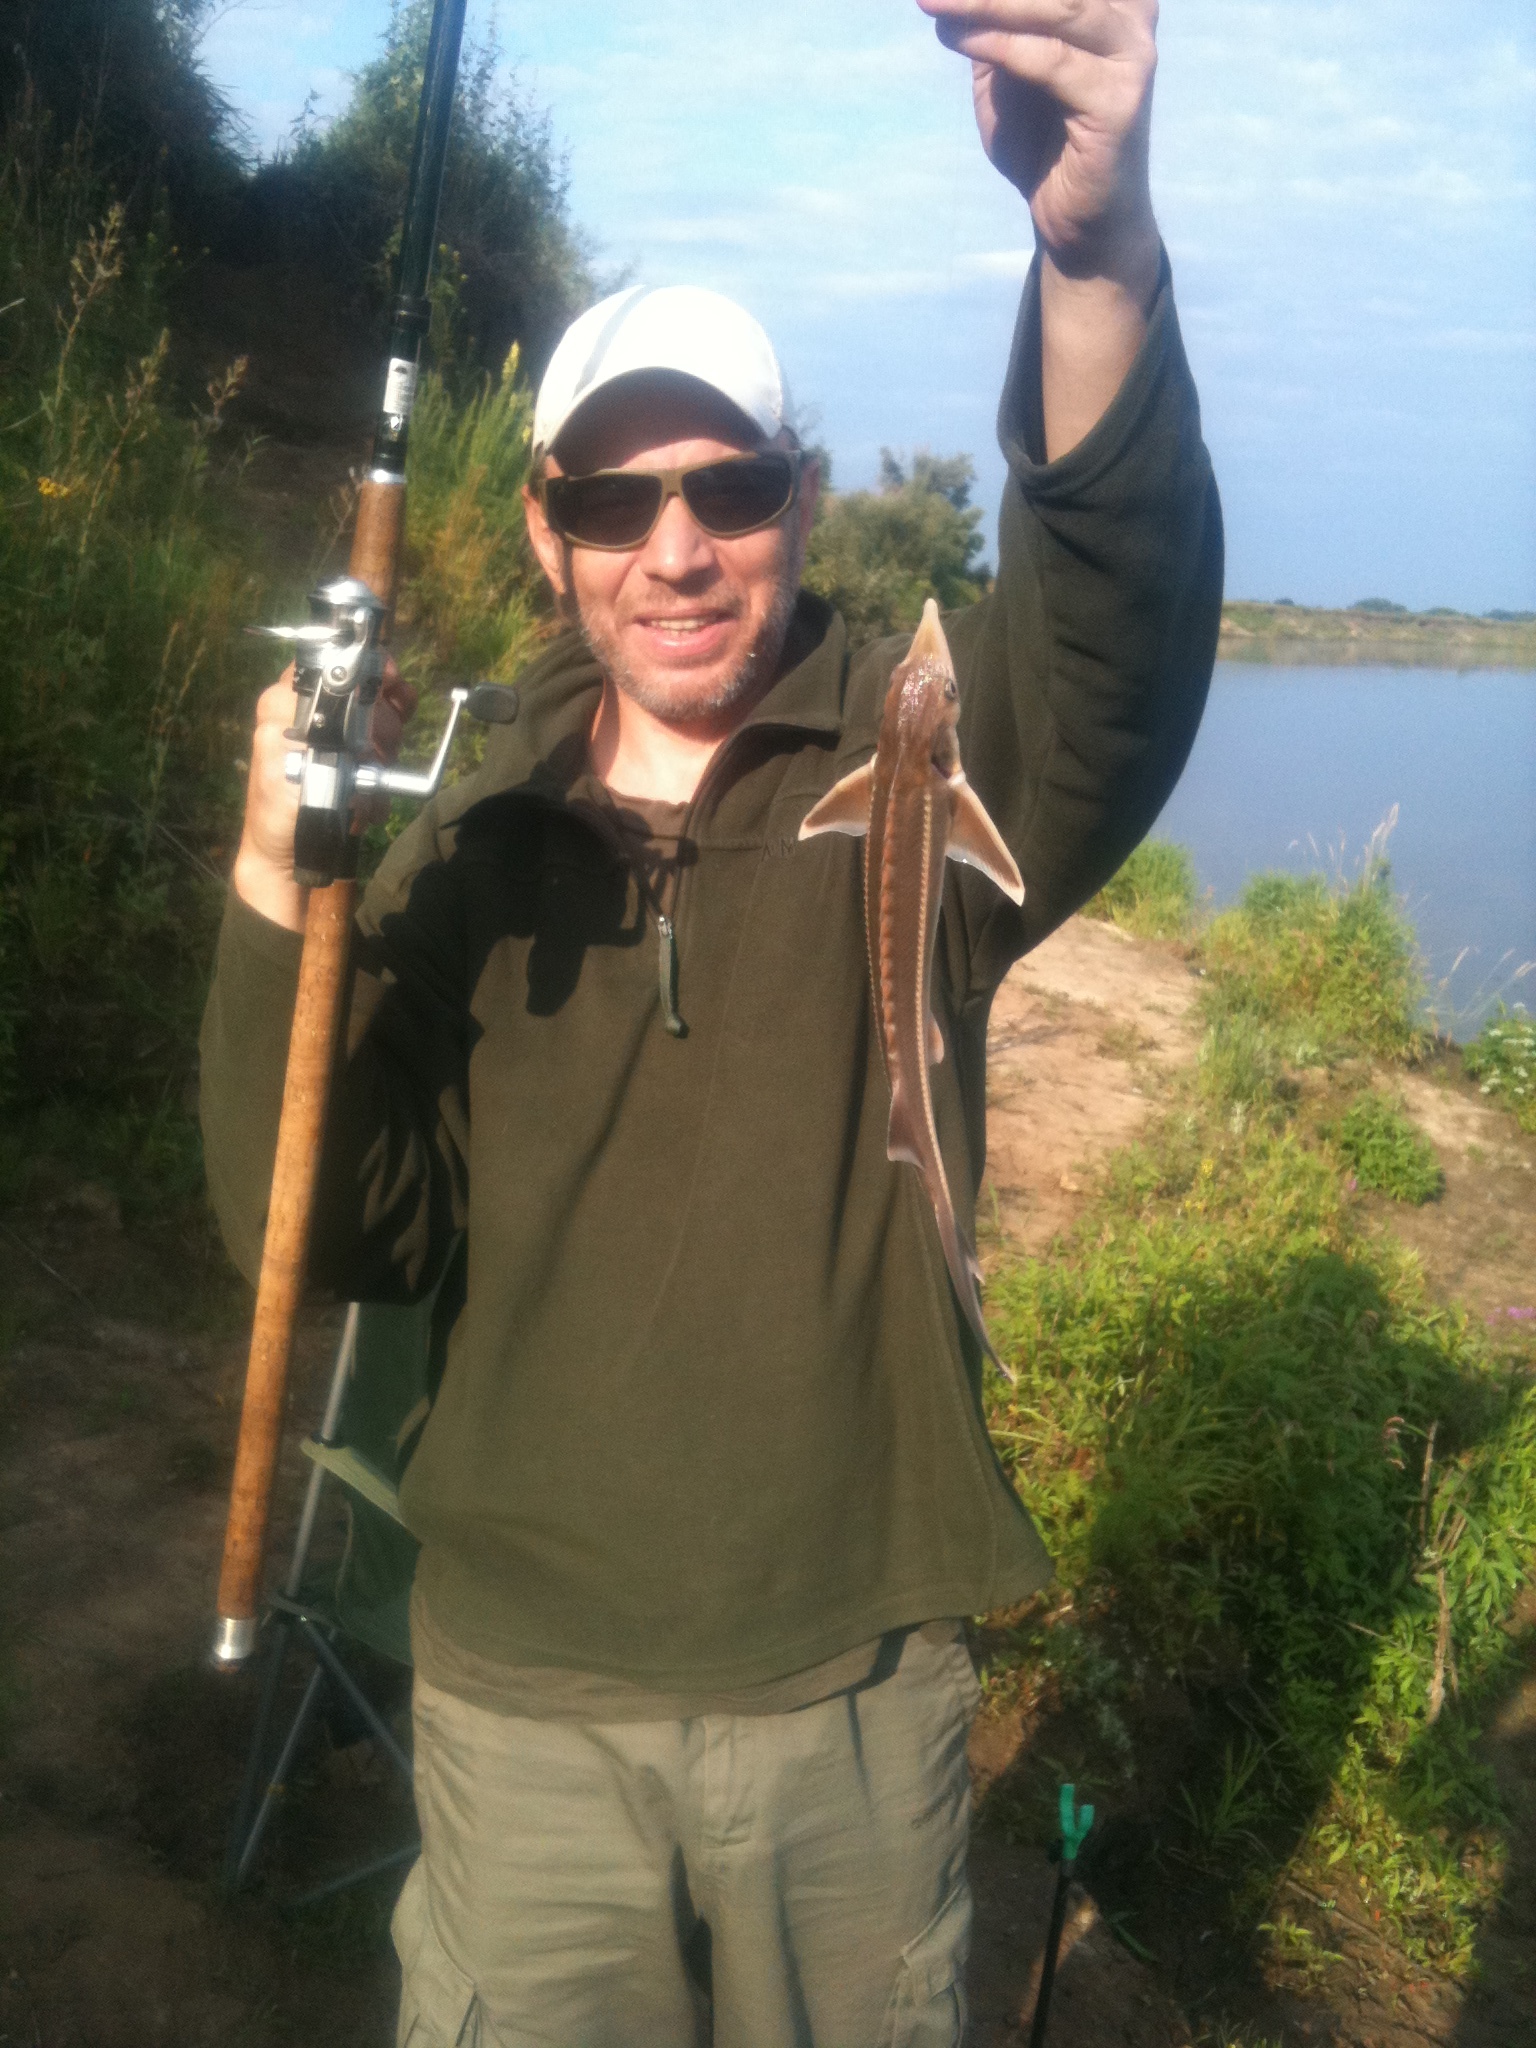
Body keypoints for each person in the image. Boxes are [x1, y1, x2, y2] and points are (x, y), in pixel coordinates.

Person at [201, 1, 1222, 2040]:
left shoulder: (929, 779)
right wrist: (267, 885)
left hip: (852, 1705)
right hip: (520, 1716)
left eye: (730, 486)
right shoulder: (470, 837)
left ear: (802, 502)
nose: (675, 545)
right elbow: (326, 1233)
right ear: (546, 540)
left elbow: (1108, 615)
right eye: (611, 502)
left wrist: (1091, 247)